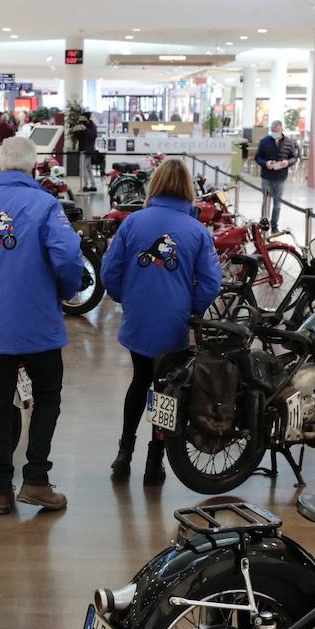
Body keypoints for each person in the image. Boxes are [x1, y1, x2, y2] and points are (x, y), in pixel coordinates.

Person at [0, 137, 83, 515]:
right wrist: (65, 290)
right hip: (39, 323)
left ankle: (2, 491)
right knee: (47, 395)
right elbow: (68, 257)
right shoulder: (45, 205)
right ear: (32, 167)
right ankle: (37, 480)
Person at [101, 159, 221, 485]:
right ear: (186, 188)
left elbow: (109, 272)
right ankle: (154, 462)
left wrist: (128, 298)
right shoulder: (197, 231)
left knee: (140, 379)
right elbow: (211, 283)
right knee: (165, 390)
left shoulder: (132, 223)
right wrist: (191, 309)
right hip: (175, 322)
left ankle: (123, 455)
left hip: (138, 318)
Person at [255, 119, 299, 230]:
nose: (274, 133)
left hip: (280, 177)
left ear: (281, 129)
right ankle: (263, 224)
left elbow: (295, 157)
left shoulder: (289, 142)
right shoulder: (264, 141)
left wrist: (287, 162)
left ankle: (274, 225)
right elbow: (257, 157)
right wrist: (265, 163)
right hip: (266, 176)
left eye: (276, 131)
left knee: (277, 203)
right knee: (266, 201)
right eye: (272, 130)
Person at [71, 110, 98, 192]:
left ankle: (85, 185)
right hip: (83, 149)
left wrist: (85, 129)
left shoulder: (91, 126)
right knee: (88, 168)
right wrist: (76, 130)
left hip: (88, 150)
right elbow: (79, 138)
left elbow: (93, 136)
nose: (82, 119)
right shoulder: (82, 125)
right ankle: (93, 185)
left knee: (83, 168)